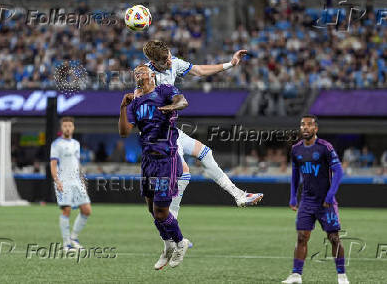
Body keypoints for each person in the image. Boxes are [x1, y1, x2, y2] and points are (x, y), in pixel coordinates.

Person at [141, 40, 264, 268]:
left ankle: (238, 195)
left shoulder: (173, 64)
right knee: (180, 178)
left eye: (170, 56)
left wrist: (230, 64)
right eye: (165, 60)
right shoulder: (145, 77)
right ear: (153, 62)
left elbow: (198, 70)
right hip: (158, 137)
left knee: (205, 154)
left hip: (171, 131)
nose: (170, 61)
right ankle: (171, 243)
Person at [119, 64, 190, 269]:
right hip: (148, 160)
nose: (138, 74)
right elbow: (124, 132)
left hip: (166, 158)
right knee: (151, 209)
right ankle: (167, 244)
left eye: (141, 71)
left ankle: (180, 242)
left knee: (161, 211)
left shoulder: (164, 90)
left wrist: (170, 107)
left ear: (152, 75)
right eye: (135, 73)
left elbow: (183, 101)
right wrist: (123, 107)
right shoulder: (134, 102)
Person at [282, 115, 349, 284]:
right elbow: (295, 175)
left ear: (315, 129)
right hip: (306, 201)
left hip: (325, 202)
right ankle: (296, 275)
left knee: (334, 238)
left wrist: (330, 195)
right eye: (302, 125)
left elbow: (339, 172)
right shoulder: (296, 149)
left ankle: (342, 276)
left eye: (309, 125)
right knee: (301, 237)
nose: (305, 127)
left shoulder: (325, 147)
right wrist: (292, 197)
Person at [50, 117, 91, 251]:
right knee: (66, 210)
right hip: (64, 182)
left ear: (73, 128)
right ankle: (66, 243)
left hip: (77, 181)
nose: (67, 128)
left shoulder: (76, 144)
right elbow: (53, 164)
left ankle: (74, 237)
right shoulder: (56, 144)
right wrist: (57, 181)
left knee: (86, 210)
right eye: (65, 126)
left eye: (70, 126)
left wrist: (82, 180)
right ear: (61, 128)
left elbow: (77, 164)